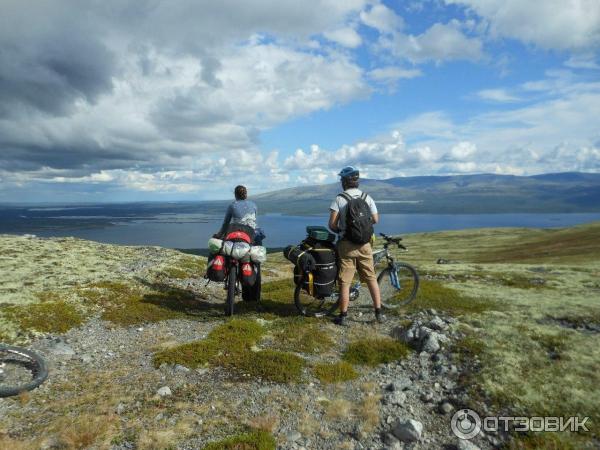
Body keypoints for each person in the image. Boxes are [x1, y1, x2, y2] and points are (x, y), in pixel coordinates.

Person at [328, 166, 382, 326]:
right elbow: (375, 219)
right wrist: (362, 228)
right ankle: (378, 313)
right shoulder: (367, 197)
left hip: (346, 245)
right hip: (365, 244)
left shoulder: (339, 199)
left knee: (345, 281)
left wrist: (344, 230)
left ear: (344, 182)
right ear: (356, 181)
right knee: (371, 278)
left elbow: (332, 224)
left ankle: (343, 316)